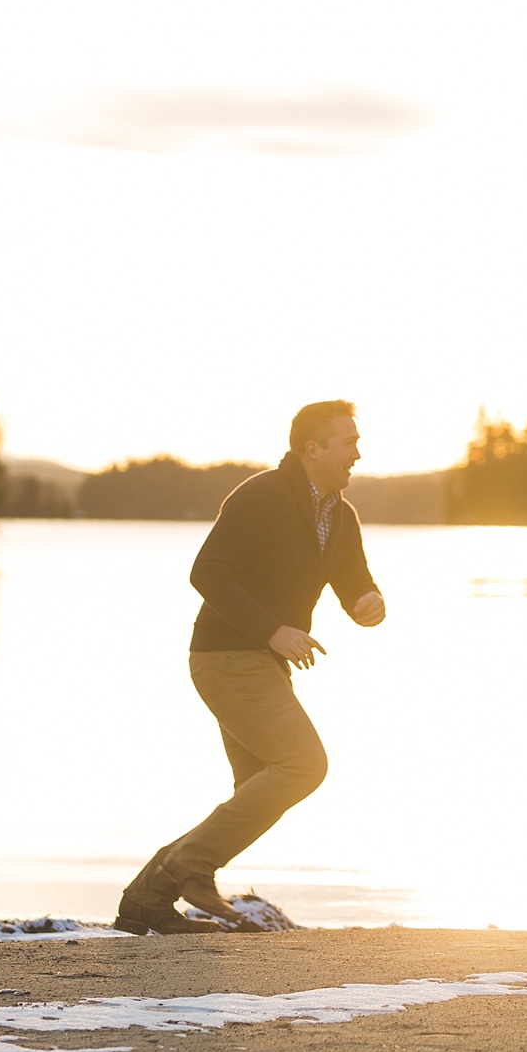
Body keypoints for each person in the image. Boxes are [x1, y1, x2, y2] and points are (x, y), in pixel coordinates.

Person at [115, 400, 386, 935]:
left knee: (259, 787)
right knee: (304, 765)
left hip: (262, 663)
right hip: (226, 656)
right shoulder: (261, 496)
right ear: (313, 448)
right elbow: (207, 572)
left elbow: (355, 584)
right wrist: (274, 630)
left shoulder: (340, 515)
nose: (358, 452)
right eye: (348, 442)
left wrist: (369, 604)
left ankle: (147, 899)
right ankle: (189, 867)